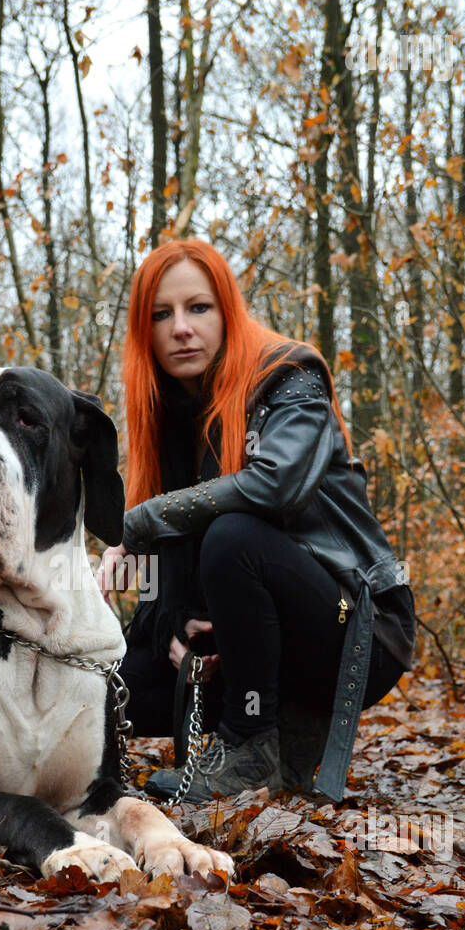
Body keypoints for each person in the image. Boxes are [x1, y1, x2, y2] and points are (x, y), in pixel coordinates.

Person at [97, 239, 415, 804]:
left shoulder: (290, 374)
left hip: (356, 628)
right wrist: (179, 631)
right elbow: (172, 576)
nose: (181, 329)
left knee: (234, 535)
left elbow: (277, 487)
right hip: (258, 642)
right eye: (161, 315)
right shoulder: (167, 416)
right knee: (108, 688)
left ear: (227, 310)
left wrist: (139, 522)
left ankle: (251, 749)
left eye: (199, 307)